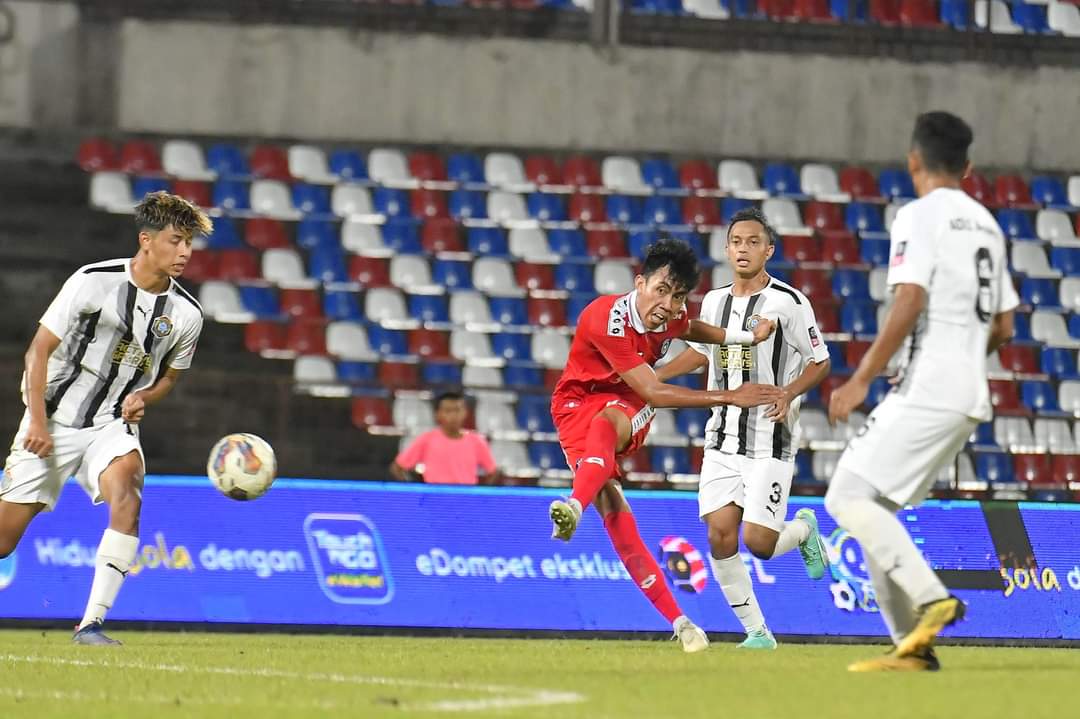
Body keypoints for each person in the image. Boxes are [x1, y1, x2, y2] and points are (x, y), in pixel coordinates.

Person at [825, 111, 1018, 672]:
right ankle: (913, 648)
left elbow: (909, 298)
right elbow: (1004, 327)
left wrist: (861, 377)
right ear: (968, 166)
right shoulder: (988, 224)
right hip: (968, 391)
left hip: (930, 385)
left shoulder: (918, 214)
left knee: (846, 497)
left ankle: (931, 598)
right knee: (873, 510)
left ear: (913, 160)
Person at [546, 238, 784, 653]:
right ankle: (681, 622)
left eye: (678, 296)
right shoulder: (606, 318)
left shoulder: (671, 316)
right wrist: (729, 395)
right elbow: (656, 389)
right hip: (573, 408)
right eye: (661, 290)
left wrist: (746, 337)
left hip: (627, 405)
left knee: (609, 421)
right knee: (616, 513)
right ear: (639, 283)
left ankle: (573, 505)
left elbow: (691, 328)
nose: (670, 304)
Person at [0, 191, 211, 645]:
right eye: (175, 241)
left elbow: (170, 377)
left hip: (111, 424)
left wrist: (147, 397)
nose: (185, 252)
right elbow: (39, 350)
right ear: (146, 240)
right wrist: (36, 421)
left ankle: (91, 624)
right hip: (54, 420)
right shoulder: (92, 281)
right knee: (3, 542)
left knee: (129, 496)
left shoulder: (186, 314)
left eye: (189, 243)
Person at [655, 207, 831, 649]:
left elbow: (820, 361)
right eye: (736, 242)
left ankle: (805, 529)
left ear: (768, 250)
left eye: (754, 242)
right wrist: (650, 377)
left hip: (771, 439)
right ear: (727, 248)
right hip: (721, 437)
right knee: (719, 535)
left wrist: (788, 393)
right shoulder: (714, 301)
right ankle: (758, 631)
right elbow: (700, 355)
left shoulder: (788, 302)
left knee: (759, 543)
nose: (744, 249)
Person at [390, 391, 500, 485]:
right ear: (437, 414)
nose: (453, 416)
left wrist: (480, 497)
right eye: (448, 411)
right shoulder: (427, 440)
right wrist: (415, 492)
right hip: (435, 501)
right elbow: (397, 468)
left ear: (465, 412)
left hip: (465, 501)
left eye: (457, 410)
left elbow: (493, 472)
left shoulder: (476, 441)